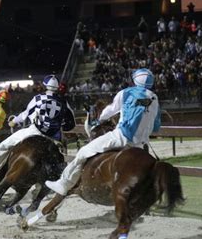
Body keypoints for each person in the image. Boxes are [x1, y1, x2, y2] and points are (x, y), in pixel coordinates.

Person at [46, 68, 161, 196]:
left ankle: (64, 183)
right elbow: (156, 127)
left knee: (83, 152)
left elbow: (110, 110)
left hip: (121, 137)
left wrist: (100, 119)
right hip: (141, 145)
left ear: (135, 80)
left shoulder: (126, 93)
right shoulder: (155, 99)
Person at [0, 75, 75, 177]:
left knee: (3, 146)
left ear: (45, 85)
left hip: (35, 131)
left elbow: (25, 114)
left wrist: (14, 121)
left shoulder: (38, 98)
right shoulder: (64, 102)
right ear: (57, 87)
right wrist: (59, 126)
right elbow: (71, 123)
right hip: (54, 137)